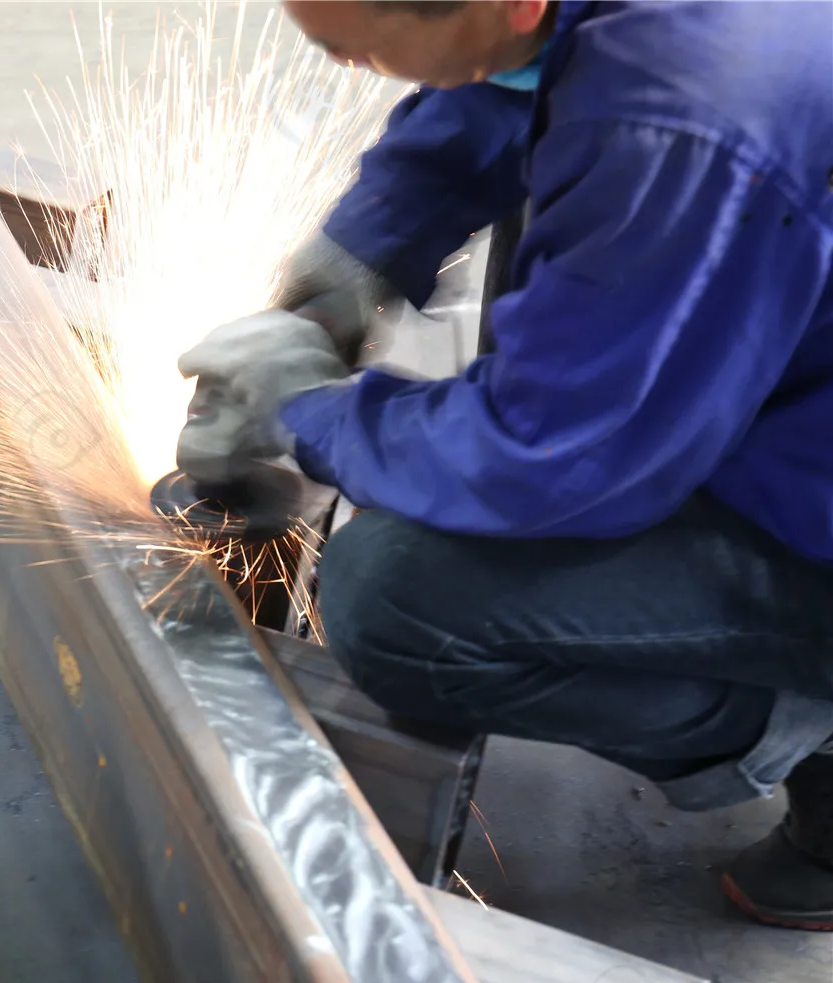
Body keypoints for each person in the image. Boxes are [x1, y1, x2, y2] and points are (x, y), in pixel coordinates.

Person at [173, 0, 833, 930]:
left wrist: (310, 411)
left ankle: (815, 732)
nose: (347, 64)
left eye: (353, 47)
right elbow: (500, 87)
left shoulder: (682, 122)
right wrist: (360, 254)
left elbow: (555, 455)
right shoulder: (580, 34)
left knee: (398, 598)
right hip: (788, 385)